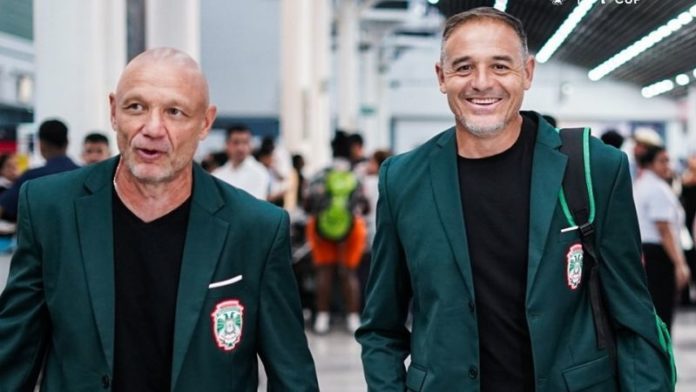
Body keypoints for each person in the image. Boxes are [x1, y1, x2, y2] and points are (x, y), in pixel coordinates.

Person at [356, 7, 674, 391]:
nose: (482, 83)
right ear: (442, 78)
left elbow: (634, 318)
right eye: (463, 68)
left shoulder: (593, 168)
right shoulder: (403, 180)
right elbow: (380, 328)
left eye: (501, 67)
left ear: (528, 73)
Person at [0, 48, 318, 391]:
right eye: (136, 107)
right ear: (113, 111)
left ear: (205, 123)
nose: (152, 128)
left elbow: (292, 376)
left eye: (175, 112)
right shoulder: (51, 208)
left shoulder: (256, 228)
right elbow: (14, 355)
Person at [305, 131, 369, 334]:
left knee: (324, 272)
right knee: (348, 273)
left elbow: (307, 204)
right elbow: (365, 206)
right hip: (352, 228)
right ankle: (353, 318)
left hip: (320, 229)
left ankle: (322, 319)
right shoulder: (356, 176)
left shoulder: (321, 173)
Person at [634, 146, 691, 332]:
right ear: (650, 163)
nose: (668, 165)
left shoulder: (642, 184)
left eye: (669, 160)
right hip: (658, 253)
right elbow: (664, 230)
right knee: (662, 310)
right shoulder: (657, 188)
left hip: (648, 252)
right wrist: (680, 263)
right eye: (663, 160)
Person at [0, 119, 79, 222]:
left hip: (43, 237)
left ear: (41, 144)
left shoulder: (31, 178)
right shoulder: (84, 175)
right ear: (67, 142)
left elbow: (3, 207)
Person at [212, 124, 270, 200]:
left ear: (250, 145)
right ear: (227, 145)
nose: (240, 148)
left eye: (245, 142)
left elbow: (256, 206)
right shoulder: (217, 175)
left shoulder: (260, 172)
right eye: (236, 142)